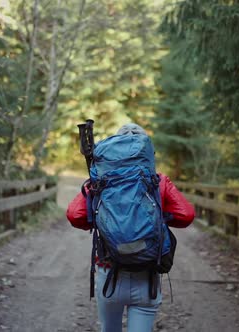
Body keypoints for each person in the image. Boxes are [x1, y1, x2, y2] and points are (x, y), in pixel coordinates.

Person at [66, 124, 195, 332]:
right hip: (147, 276)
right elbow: (186, 215)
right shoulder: (157, 181)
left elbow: (75, 215)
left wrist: (101, 217)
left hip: (109, 274)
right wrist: (158, 218)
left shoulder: (100, 181)